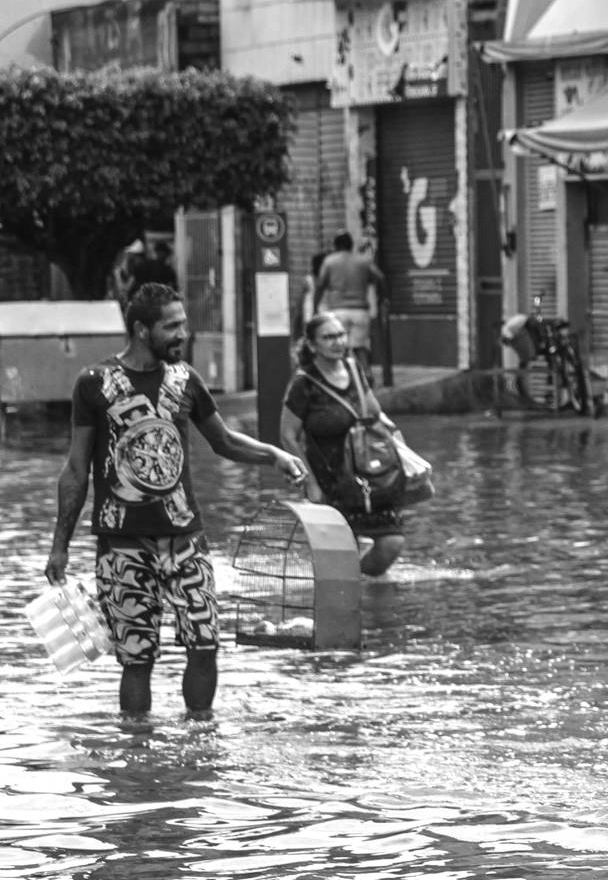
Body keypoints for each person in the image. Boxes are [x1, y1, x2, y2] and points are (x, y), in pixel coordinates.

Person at [44, 283, 308, 715]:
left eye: (183, 324)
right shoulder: (93, 384)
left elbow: (222, 441)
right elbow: (76, 470)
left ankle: (199, 738)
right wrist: (60, 545)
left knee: (205, 643)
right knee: (136, 658)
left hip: (186, 539)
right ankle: (138, 751)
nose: (183, 334)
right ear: (141, 330)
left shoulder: (185, 379)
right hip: (122, 543)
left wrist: (273, 455)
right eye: (172, 326)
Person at [280, 311, 407, 577]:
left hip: (368, 474)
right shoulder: (303, 384)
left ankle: (360, 580)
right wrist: (310, 484)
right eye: (328, 337)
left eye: (340, 335)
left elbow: (374, 413)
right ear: (312, 345)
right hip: (330, 479)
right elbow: (288, 435)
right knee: (340, 549)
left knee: (392, 542)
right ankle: (346, 588)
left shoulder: (353, 367)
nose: (337, 342)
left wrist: (399, 449)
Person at [312, 233, 386, 360]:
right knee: (360, 347)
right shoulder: (363, 261)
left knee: (340, 348)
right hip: (360, 311)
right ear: (351, 245)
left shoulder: (330, 261)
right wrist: (383, 298)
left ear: (336, 246)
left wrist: (315, 306)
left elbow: (320, 285)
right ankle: (366, 374)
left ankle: (345, 377)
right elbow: (380, 278)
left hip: (338, 311)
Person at [109, 228, 177, 306]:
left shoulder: (143, 266)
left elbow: (129, 286)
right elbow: (173, 289)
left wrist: (119, 279)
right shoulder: (168, 270)